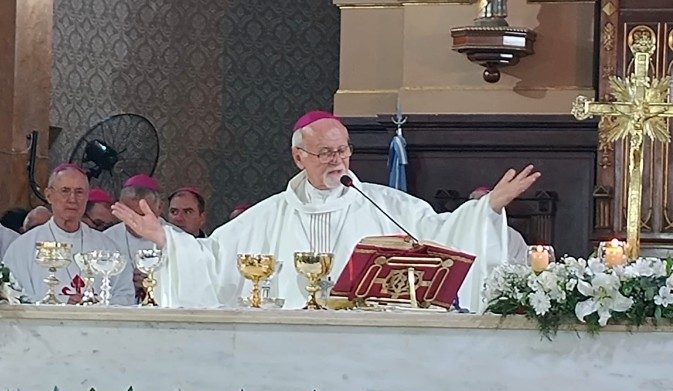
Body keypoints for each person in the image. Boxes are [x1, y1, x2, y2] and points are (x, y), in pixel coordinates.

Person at [112, 111, 540, 310]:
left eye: (343, 150)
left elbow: (440, 233)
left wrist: (487, 208)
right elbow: (212, 260)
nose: (337, 160)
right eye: (325, 152)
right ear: (300, 158)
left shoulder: (385, 204)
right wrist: (165, 237)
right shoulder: (268, 215)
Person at [3, 164, 135, 305]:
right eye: (65, 191)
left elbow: (125, 294)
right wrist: (60, 305)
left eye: (79, 192)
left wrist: (97, 305)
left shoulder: (106, 247)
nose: (72, 199)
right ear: (49, 195)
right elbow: (11, 296)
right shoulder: (23, 247)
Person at [104, 174, 165, 302]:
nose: (135, 222)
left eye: (141, 215)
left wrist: (155, 282)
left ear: (159, 209)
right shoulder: (106, 239)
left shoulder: (173, 240)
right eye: (129, 214)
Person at [469, 186, 529, 264]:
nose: (482, 207)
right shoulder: (460, 229)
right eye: (478, 202)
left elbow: (523, 263)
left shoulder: (511, 235)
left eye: (486, 203)